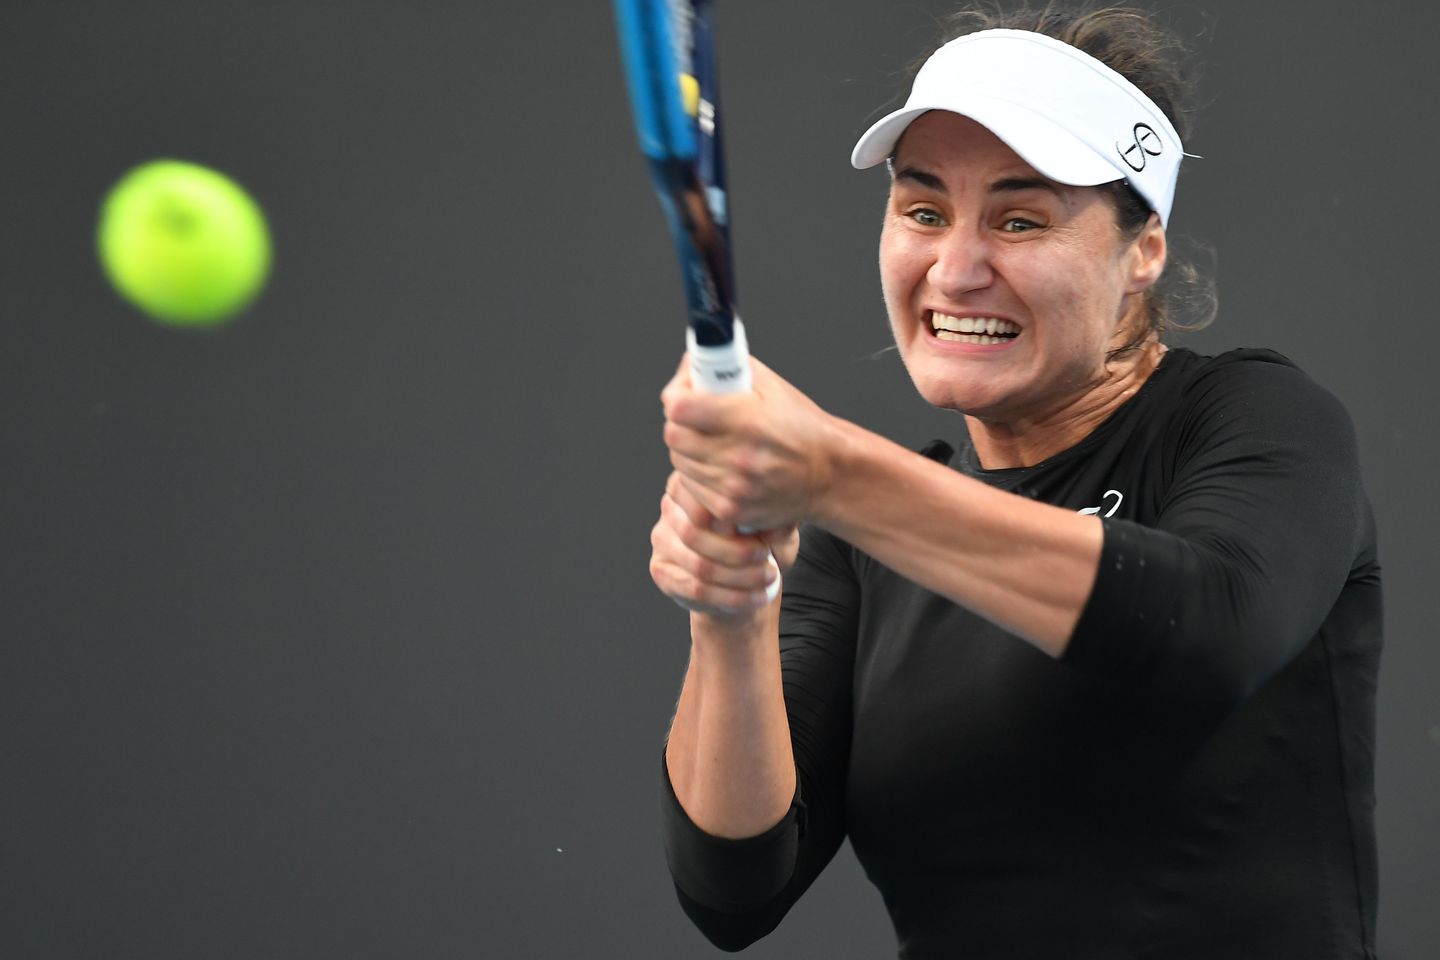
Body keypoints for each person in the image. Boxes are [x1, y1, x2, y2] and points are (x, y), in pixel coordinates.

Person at [647, 5, 1381, 958]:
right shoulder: (861, 545)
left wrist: (831, 470)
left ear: (1141, 248)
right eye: (922, 211)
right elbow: (738, 887)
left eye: (1020, 219)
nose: (954, 269)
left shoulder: (1259, 418)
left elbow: (1210, 630)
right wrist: (732, 613)